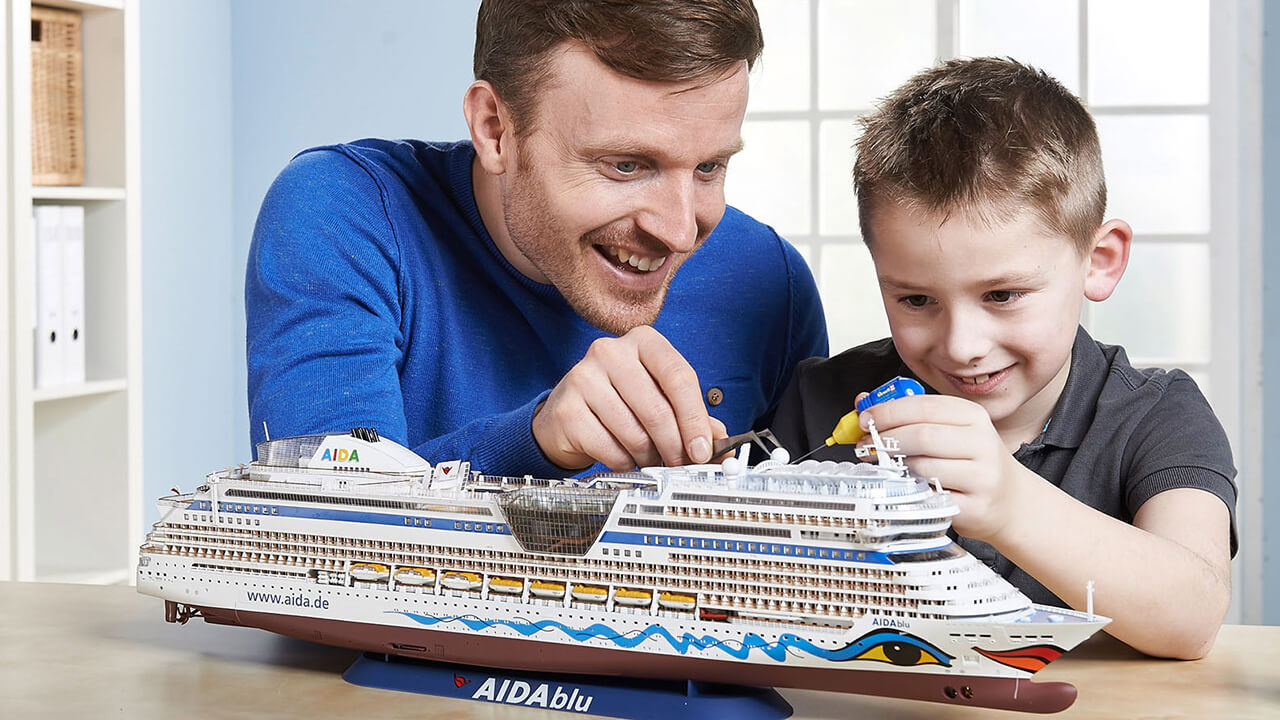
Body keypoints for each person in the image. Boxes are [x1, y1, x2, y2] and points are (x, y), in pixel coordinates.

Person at [772, 58, 1236, 660]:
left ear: (1098, 260)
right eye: (916, 299)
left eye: (1003, 295)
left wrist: (1009, 502)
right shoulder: (823, 399)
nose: (962, 344)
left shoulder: (1158, 416)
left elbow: (1192, 618)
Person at [245, 0, 827, 478]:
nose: (678, 232)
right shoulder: (342, 214)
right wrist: (536, 440)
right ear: (495, 129)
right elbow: (326, 527)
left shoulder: (770, 280)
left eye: (709, 168)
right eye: (626, 165)